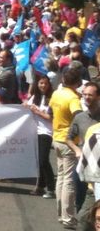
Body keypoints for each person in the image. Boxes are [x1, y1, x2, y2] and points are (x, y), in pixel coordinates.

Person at [50, 67, 83, 229]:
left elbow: (51, 110)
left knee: (62, 178)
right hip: (69, 141)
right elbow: (79, 116)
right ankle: (68, 217)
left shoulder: (57, 93)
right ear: (77, 82)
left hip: (56, 137)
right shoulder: (73, 98)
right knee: (68, 180)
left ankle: (61, 214)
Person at [67, 82, 100, 212]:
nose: (86, 97)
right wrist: (77, 150)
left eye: (90, 95)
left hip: (98, 166)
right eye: (84, 94)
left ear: (98, 96)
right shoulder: (79, 118)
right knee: (80, 199)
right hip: (83, 163)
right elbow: (69, 138)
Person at [25, 75, 55, 198]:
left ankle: (51, 188)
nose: (43, 85)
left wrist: (37, 112)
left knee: (43, 160)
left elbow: (51, 118)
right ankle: (40, 186)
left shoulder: (52, 99)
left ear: (49, 85)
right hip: (34, 132)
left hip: (46, 132)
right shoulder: (35, 97)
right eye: (41, 83)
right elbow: (26, 107)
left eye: (45, 83)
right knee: (38, 161)